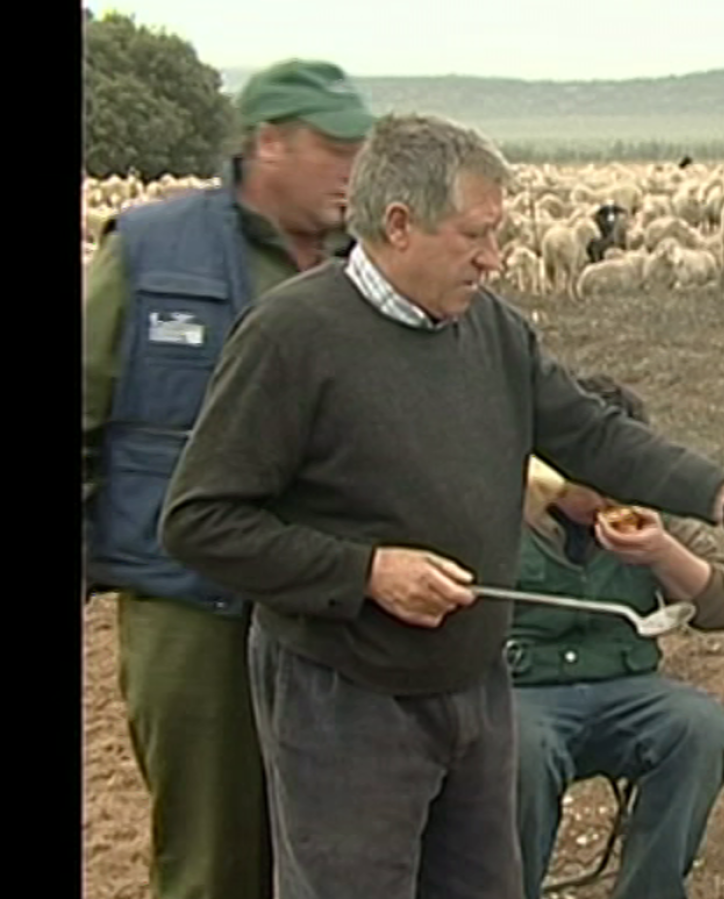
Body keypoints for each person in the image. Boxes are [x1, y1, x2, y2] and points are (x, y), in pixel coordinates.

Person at [157, 111, 724, 899]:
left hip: (475, 688)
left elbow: (596, 436)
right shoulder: (291, 337)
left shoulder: (494, 331)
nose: (496, 256)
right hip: (346, 699)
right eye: (476, 235)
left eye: (500, 232)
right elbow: (200, 521)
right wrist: (367, 571)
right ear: (400, 225)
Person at [81, 59, 375, 899]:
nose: (351, 169)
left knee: (337, 846)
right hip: (191, 603)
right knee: (211, 853)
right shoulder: (151, 249)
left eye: (359, 150)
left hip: (334, 601)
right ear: (268, 142)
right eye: (332, 148)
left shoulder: (369, 267)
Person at [509, 374, 724, 899]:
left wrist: (662, 553)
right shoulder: (503, 508)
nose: (610, 495)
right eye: (595, 481)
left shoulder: (647, 509)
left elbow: (722, 608)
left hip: (625, 685)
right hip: (524, 691)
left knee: (698, 726)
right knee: (519, 752)